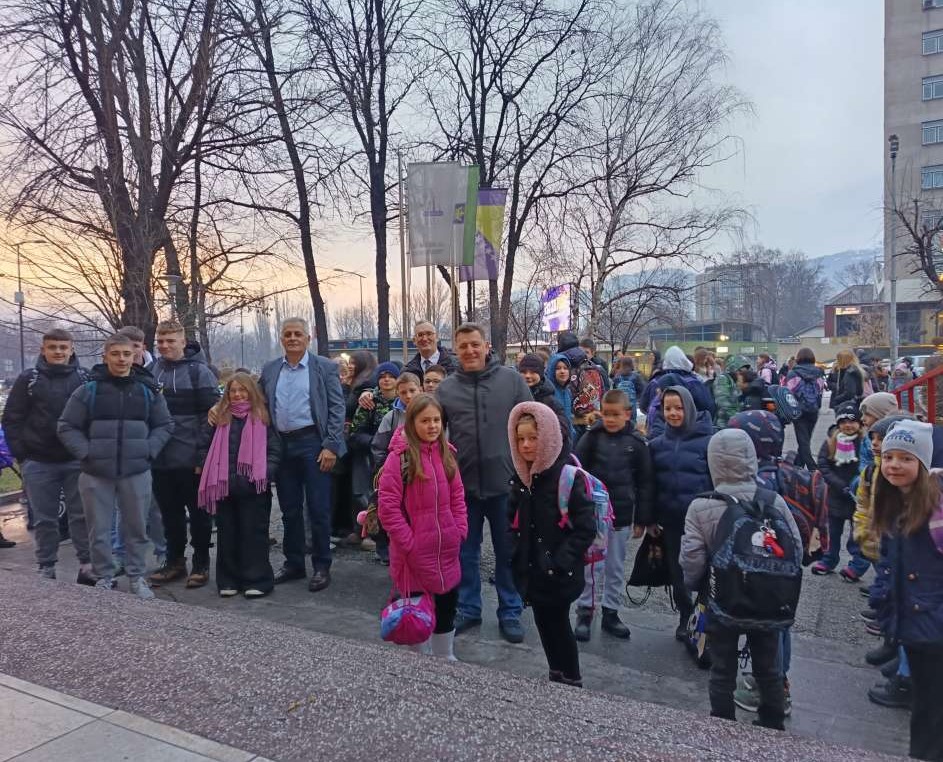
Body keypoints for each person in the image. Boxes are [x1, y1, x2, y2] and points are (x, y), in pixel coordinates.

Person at [680, 428, 801, 731]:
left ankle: (724, 726)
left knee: (722, 669)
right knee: (769, 668)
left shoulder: (701, 505)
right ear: (751, 459)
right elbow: (795, 549)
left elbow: (692, 558)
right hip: (769, 600)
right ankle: (772, 724)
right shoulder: (773, 500)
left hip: (723, 601)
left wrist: (698, 587)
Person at [57, 333, 173, 599]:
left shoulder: (147, 390)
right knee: (98, 530)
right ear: (105, 357)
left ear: (134, 357)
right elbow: (67, 426)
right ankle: (104, 577)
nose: (122, 359)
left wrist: (148, 450)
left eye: (127, 354)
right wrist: (86, 453)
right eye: (116, 354)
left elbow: (164, 425)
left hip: (136, 471)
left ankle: (135, 578)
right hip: (95, 473)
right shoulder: (88, 390)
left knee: (136, 529)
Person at [436, 323, 532, 643]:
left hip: (507, 484)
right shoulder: (446, 389)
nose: (470, 351)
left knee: (507, 552)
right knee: (465, 551)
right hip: (463, 487)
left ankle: (510, 610)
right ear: (455, 350)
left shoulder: (512, 381)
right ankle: (468, 607)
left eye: (475, 344)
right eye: (463, 346)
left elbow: (532, 423)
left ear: (486, 345)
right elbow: (431, 432)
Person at [508, 401, 596, 686]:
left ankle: (570, 678)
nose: (526, 445)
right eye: (520, 439)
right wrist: (514, 554)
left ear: (549, 437)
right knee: (545, 625)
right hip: (534, 571)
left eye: (533, 438)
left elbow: (585, 529)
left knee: (559, 626)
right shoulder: (522, 477)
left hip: (558, 573)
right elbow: (512, 521)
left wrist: (560, 561)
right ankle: (556, 673)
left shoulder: (566, 477)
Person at [870, 420, 943, 761]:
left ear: (922, 463)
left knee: (931, 708)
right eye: (889, 457)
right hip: (916, 624)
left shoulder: (935, 511)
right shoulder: (896, 501)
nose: (894, 465)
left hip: (932, 626)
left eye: (906, 458)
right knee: (925, 704)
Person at [259, 318, 346, 592]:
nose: (293, 338)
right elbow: (260, 403)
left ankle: (322, 566)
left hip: (313, 444)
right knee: (289, 509)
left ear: (308, 338)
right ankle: (294, 563)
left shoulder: (324, 368)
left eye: (298, 334)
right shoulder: (271, 369)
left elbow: (336, 407)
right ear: (281, 339)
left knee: (318, 508)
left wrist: (331, 445)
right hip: (282, 445)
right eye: (287, 334)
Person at [2, 328, 94, 584]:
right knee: (44, 519)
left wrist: (87, 451)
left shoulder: (84, 378)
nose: (58, 352)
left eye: (63, 348)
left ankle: (87, 564)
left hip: (76, 460)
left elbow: (92, 417)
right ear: (43, 349)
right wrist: (23, 455)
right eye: (53, 347)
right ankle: (46, 566)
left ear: (71, 349)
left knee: (81, 516)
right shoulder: (28, 380)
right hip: (39, 462)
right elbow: (12, 419)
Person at [378, 394, 467, 659]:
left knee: (446, 606)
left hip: (446, 550)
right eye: (425, 420)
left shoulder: (447, 454)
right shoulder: (399, 459)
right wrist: (409, 543)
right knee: (417, 612)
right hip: (413, 556)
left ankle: (445, 655)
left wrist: (459, 530)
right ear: (411, 423)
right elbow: (388, 508)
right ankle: (420, 659)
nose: (432, 426)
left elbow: (458, 497)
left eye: (436, 420)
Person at [573, 389, 654, 642]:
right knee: (591, 567)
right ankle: (586, 611)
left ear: (627, 414)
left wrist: (642, 519)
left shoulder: (637, 444)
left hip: (620, 515)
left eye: (615, 415)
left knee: (615, 567)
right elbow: (576, 472)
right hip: (594, 517)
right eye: (606, 414)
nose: (609, 419)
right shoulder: (592, 438)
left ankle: (611, 611)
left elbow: (646, 482)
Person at [146, 320, 220, 588]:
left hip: (191, 459)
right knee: (170, 515)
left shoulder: (200, 372)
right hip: (160, 459)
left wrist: (202, 456)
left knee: (199, 515)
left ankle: (201, 563)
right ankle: (175, 562)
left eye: (170, 341)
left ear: (183, 342)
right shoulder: (151, 371)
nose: (164, 346)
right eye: (160, 341)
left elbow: (211, 417)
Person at [197, 372, 280, 598]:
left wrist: (265, 472)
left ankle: (258, 580)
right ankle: (228, 580)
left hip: (254, 488)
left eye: (242, 390)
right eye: (233, 390)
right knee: (227, 535)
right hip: (225, 488)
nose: (237, 394)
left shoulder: (262, 417)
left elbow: (274, 450)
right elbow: (203, 445)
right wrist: (208, 467)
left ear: (251, 392)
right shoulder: (219, 417)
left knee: (254, 535)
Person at [648, 385, 714, 642]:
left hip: (703, 521)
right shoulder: (657, 445)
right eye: (668, 409)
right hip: (672, 520)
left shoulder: (708, 441)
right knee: (678, 572)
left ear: (689, 407)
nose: (674, 413)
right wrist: (650, 517)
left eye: (678, 408)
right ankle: (685, 615)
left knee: (705, 572)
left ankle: (704, 618)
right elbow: (651, 485)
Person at [812, 403, 868, 581]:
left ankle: (857, 566)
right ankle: (829, 560)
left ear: (860, 424)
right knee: (832, 532)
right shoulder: (831, 441)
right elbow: (823, 465)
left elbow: (867, 467)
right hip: (835, 494)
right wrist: (838, 484)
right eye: (843, 421)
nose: (848, 425)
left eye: (852, 421)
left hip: (856, 496)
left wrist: (856, 485)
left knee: (857, 534)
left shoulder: (864, 444)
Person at [347, 361, 400, 547]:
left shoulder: (404, 401)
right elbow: (355, 433)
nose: (386, 380)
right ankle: (368, 532)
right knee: (364, 493)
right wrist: (374, 442)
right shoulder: (369, 402)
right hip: (370, 454)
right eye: (382, 376)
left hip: (399, 456)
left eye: (391, 376)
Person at [640, 346, 716, 437]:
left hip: (657, 432)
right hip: (690, 432)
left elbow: (643, 406)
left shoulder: (655, 382)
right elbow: (707, 407)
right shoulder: (694, 382)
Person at [784, 347, 826, 470]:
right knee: (805, 440)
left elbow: (789, 392)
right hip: (813, 410)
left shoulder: (793, 373)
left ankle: (814, 468)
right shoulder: (818, 373)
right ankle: (797, 467)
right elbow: (820, 390)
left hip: (799, 411)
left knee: (803, 442)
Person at [712, 354, 751, 428]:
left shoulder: (737, 381)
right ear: (733, 368)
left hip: (738, 423)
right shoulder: (723, 379)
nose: (743, 373)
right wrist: (740, 420)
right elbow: (723, 403)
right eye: (740, 370)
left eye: (745, 371)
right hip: (725, 425)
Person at [611, 356, 644, 423]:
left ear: (622, 364)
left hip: (620, 404)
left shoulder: (617, 376)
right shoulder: (636, 376)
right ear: (631, 364)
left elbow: (614, 391)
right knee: (632, 423)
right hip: (631, 405)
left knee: (620, 421)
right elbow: (642, 390)